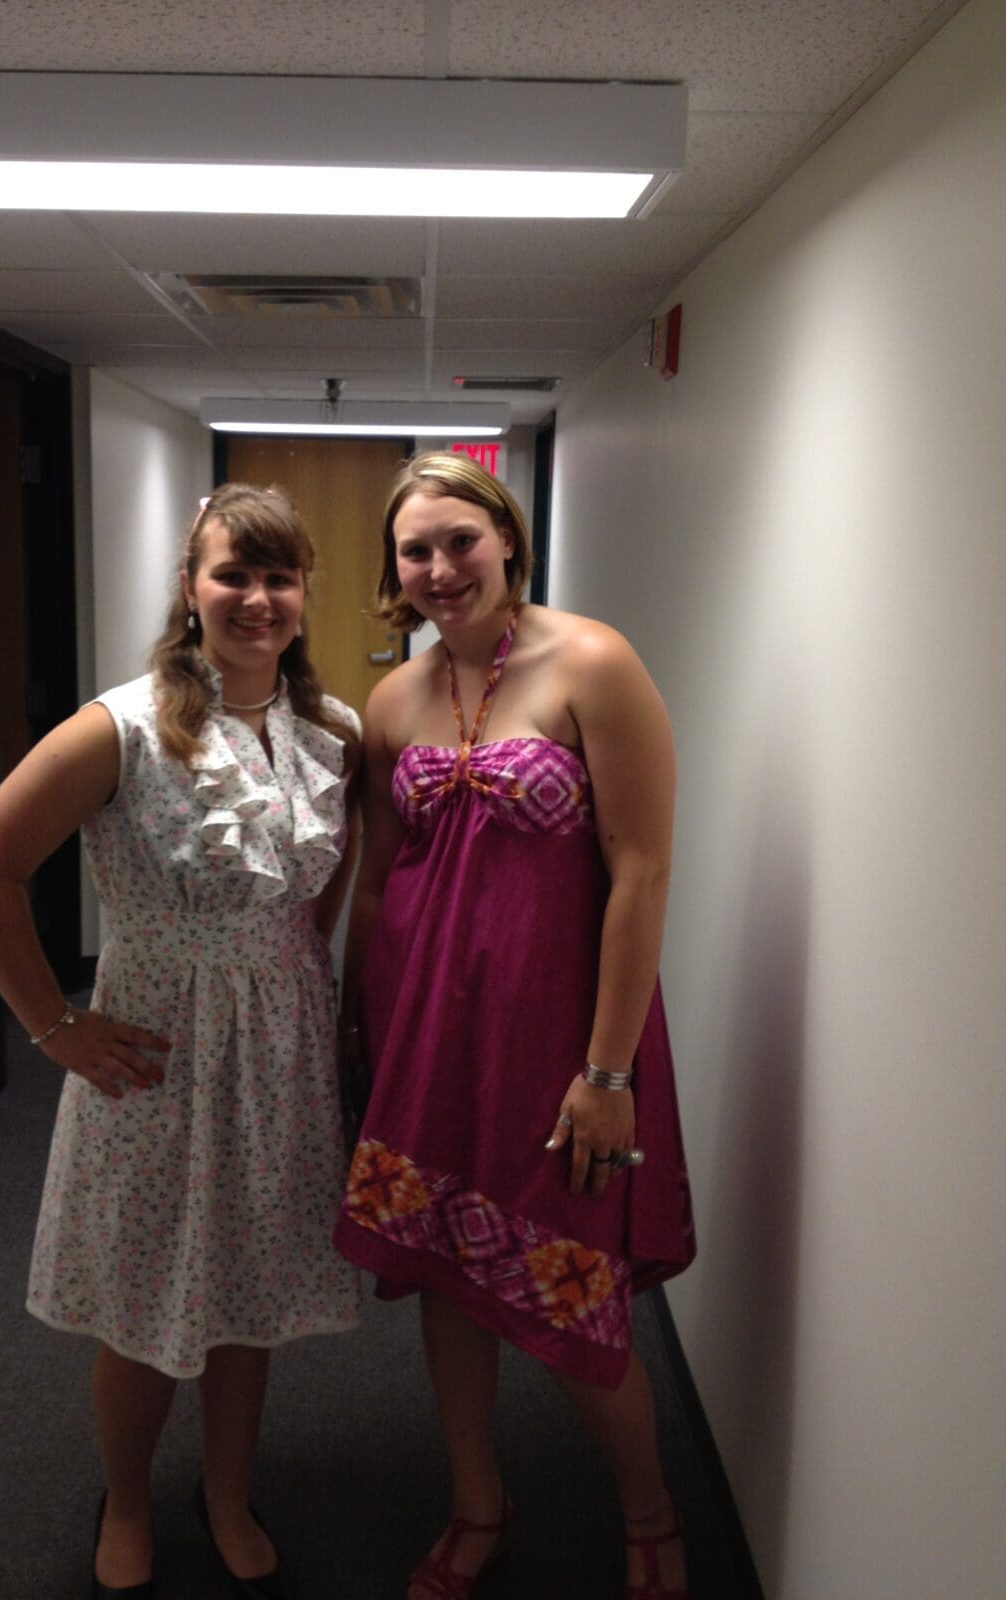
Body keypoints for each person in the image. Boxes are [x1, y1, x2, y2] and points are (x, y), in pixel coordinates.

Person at [0, 484, 361, 1600]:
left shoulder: (333, 734)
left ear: (303, 595)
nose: (258, 597)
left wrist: (289, 993)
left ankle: (225, 1495)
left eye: (280, 576)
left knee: (250, 1289)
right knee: (143, 1302)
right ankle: (126, 1498)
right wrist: (54, 1023)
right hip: (154, 1051)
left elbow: (305, 900)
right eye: (234, 573)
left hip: (278, 1056)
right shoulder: (119, 727)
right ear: (190, 586)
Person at [333, 452, 696, 1600]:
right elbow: (380, 881)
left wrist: (609, 1068)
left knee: (573, 1280)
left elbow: (640, 872)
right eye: (415, 550)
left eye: (459, 541)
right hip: (428, 1032)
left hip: (561, 1040)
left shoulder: (593, 662)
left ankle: (650, 1520)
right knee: (447, 1273)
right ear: (394, 571)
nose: (440, 568)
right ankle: (476, 1505)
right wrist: (362, 1031)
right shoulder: (394, 700)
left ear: (508, 540)